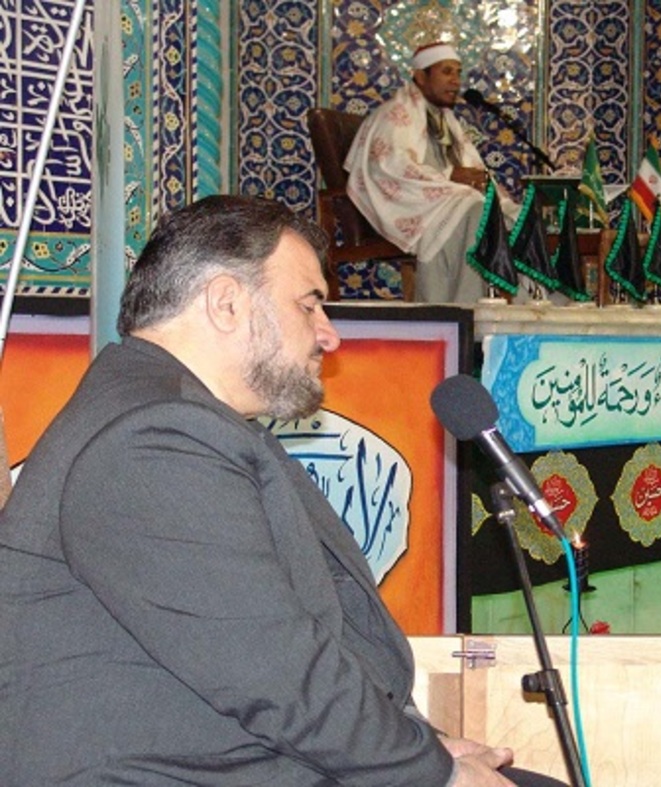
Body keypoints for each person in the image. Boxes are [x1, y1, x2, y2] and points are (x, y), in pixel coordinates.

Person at [0, 195, 564, 786]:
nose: (328, 335)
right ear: (226, 303)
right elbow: (277, 673)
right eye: (309, 304)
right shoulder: (151, 439)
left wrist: (427, 747)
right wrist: (436, 774)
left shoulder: (173, 417)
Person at [346, 41, 508, 304]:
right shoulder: (395, 114)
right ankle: (465, 308)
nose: (455, 81)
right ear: (420, 77)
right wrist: (449, 176)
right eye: (446, 72)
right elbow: (390, 165)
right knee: (474, 208)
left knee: (509, 214)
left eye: (458, 73)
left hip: (442, 199)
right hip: (407, 203)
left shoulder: (447, 121)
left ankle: (529, 311)